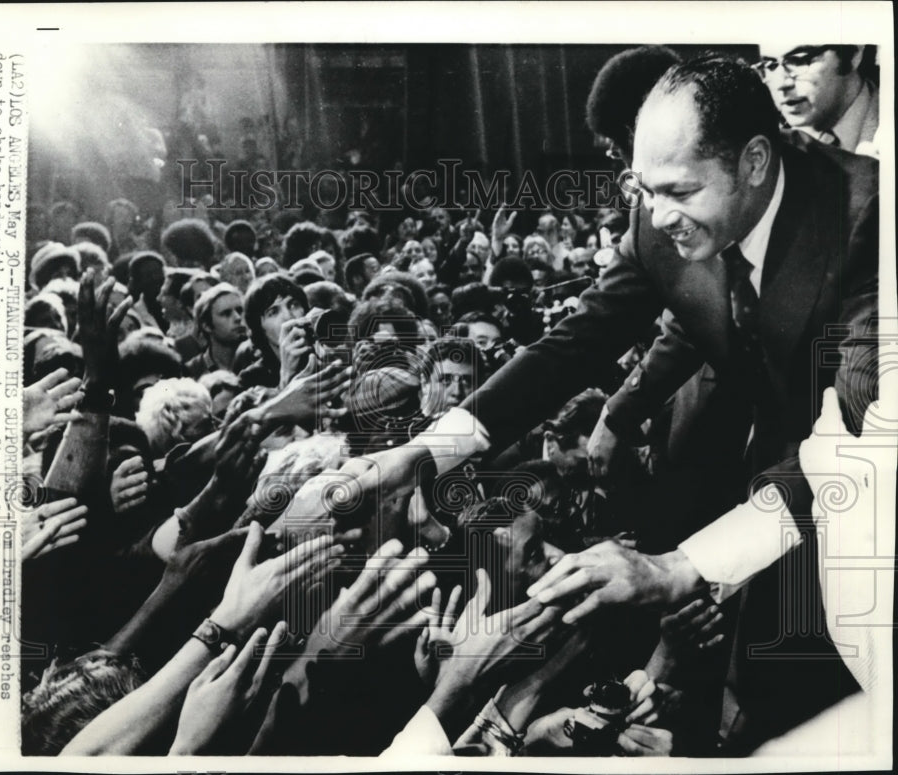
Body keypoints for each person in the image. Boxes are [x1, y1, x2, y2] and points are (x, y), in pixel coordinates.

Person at [330, 55, 877, 752]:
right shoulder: (658, 215)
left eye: (679, 191)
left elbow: (854, 442)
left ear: (756, 162)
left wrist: (676, 568)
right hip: (756, 493)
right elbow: (573, 344)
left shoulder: (870, 218)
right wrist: (423, 452)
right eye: (642, 189)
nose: (657, 216)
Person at [755, 43, 878, 155]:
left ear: (853, 55)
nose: (781, 84)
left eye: (799, 61)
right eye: (770, 66)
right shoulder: (766, 141)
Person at [186, 283, 247, 378]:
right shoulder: (192, 372)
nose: (238, 318)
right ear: (206, 326)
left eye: (240, 310)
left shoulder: (261, 358)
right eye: (226, 314)